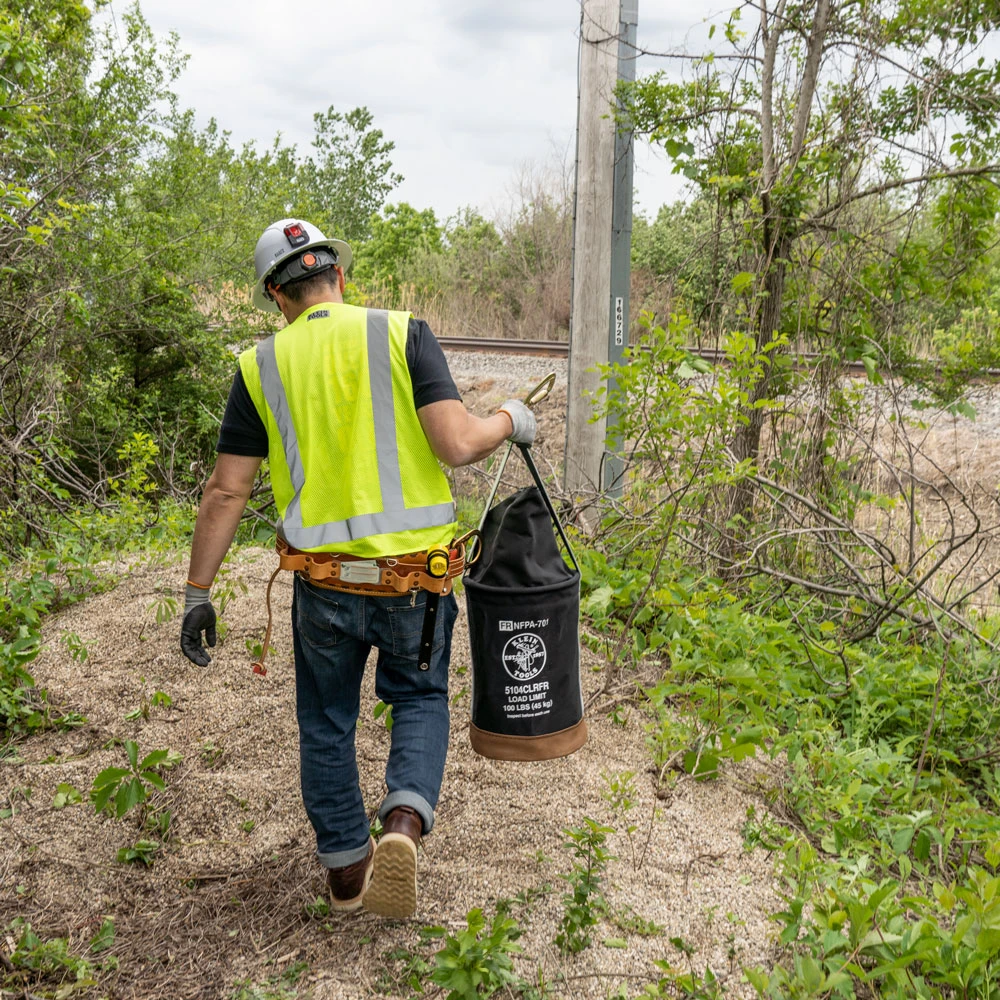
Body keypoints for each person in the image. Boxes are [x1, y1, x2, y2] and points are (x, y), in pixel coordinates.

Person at [179, 219, 536, 918]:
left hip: (324, 586)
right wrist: (511, 418)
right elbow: (459, 444)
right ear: (338, 279)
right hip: (416, 579)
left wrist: (198, 592)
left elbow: (225, 490)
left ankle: (346, 875)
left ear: (278, 299)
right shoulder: (402, 332)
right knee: (420, 699)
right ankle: (402, 825)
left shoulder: (262, 366)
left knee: (326, 722)